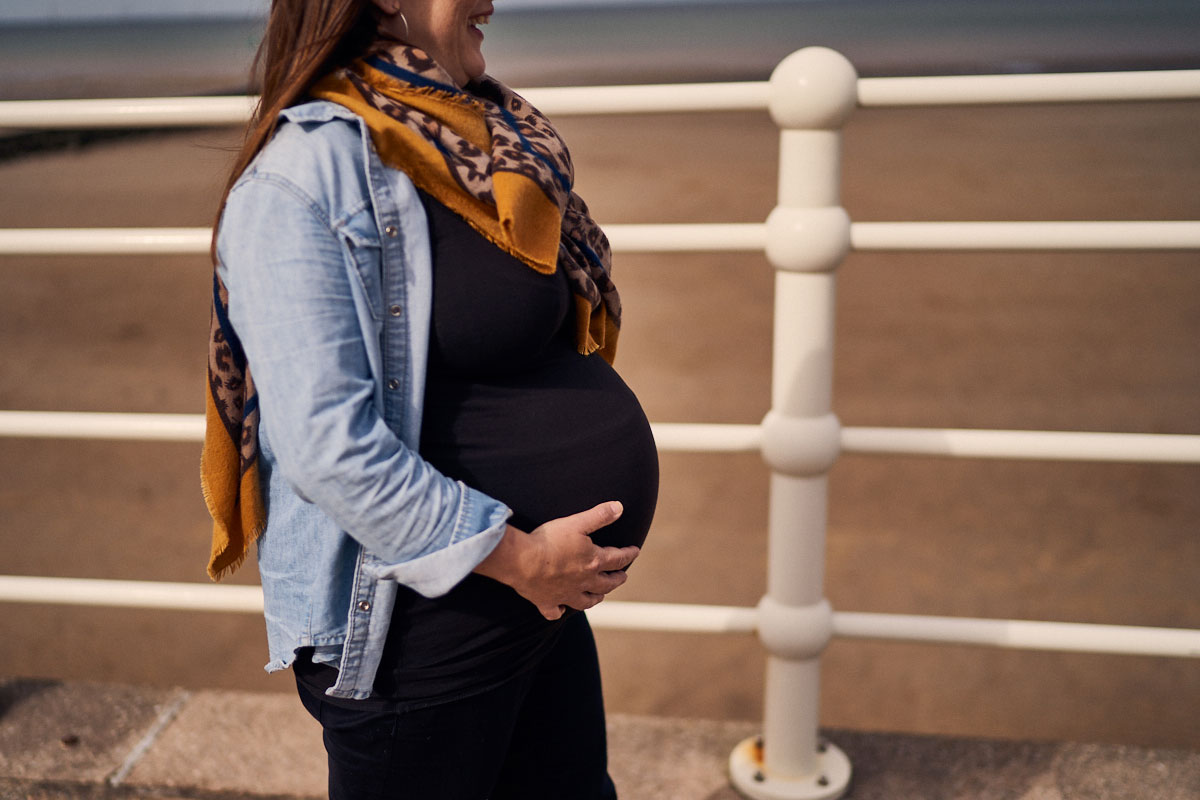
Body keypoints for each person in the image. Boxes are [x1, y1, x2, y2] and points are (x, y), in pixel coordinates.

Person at [199, 0, 659, 797]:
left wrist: (543, 570)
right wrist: (524, 558)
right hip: (424, 638)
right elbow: (328, 447)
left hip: (534, 609)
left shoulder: (482, 149)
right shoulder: (299, 179)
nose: (488, 2)